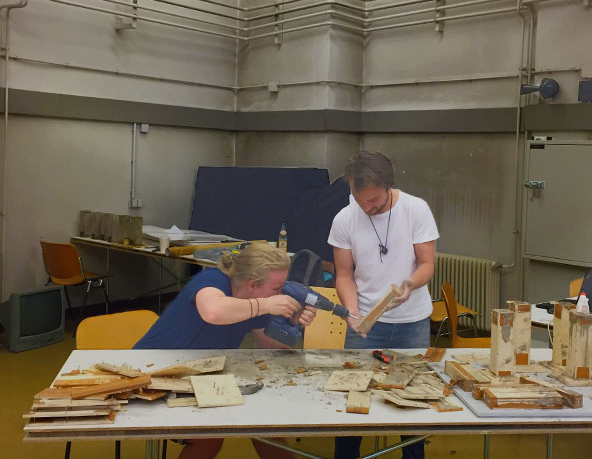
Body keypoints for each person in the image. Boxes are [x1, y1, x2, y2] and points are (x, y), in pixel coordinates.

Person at [134, 242, 315, 459]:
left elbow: (271, 347)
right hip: (152, 372)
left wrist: (292, 323)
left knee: (264, 423)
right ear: (252, 285)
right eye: (277, 288)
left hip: (197, 375)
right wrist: (266, 305)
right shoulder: (212, 280)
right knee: (210, 435)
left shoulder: (257, 301)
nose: (281, 294)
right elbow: (213, 311)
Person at [328, 150, 439, 459]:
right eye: (359, 199)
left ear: (389, 186)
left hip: (412, 322)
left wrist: (410, 284)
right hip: (365, 325)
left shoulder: (416, 210)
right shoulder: (344, 219)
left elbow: (427, 264)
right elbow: (344, 274)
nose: (367, 207)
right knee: (353, 398)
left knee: (412, 399)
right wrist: (352, 311)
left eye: (374, 200)